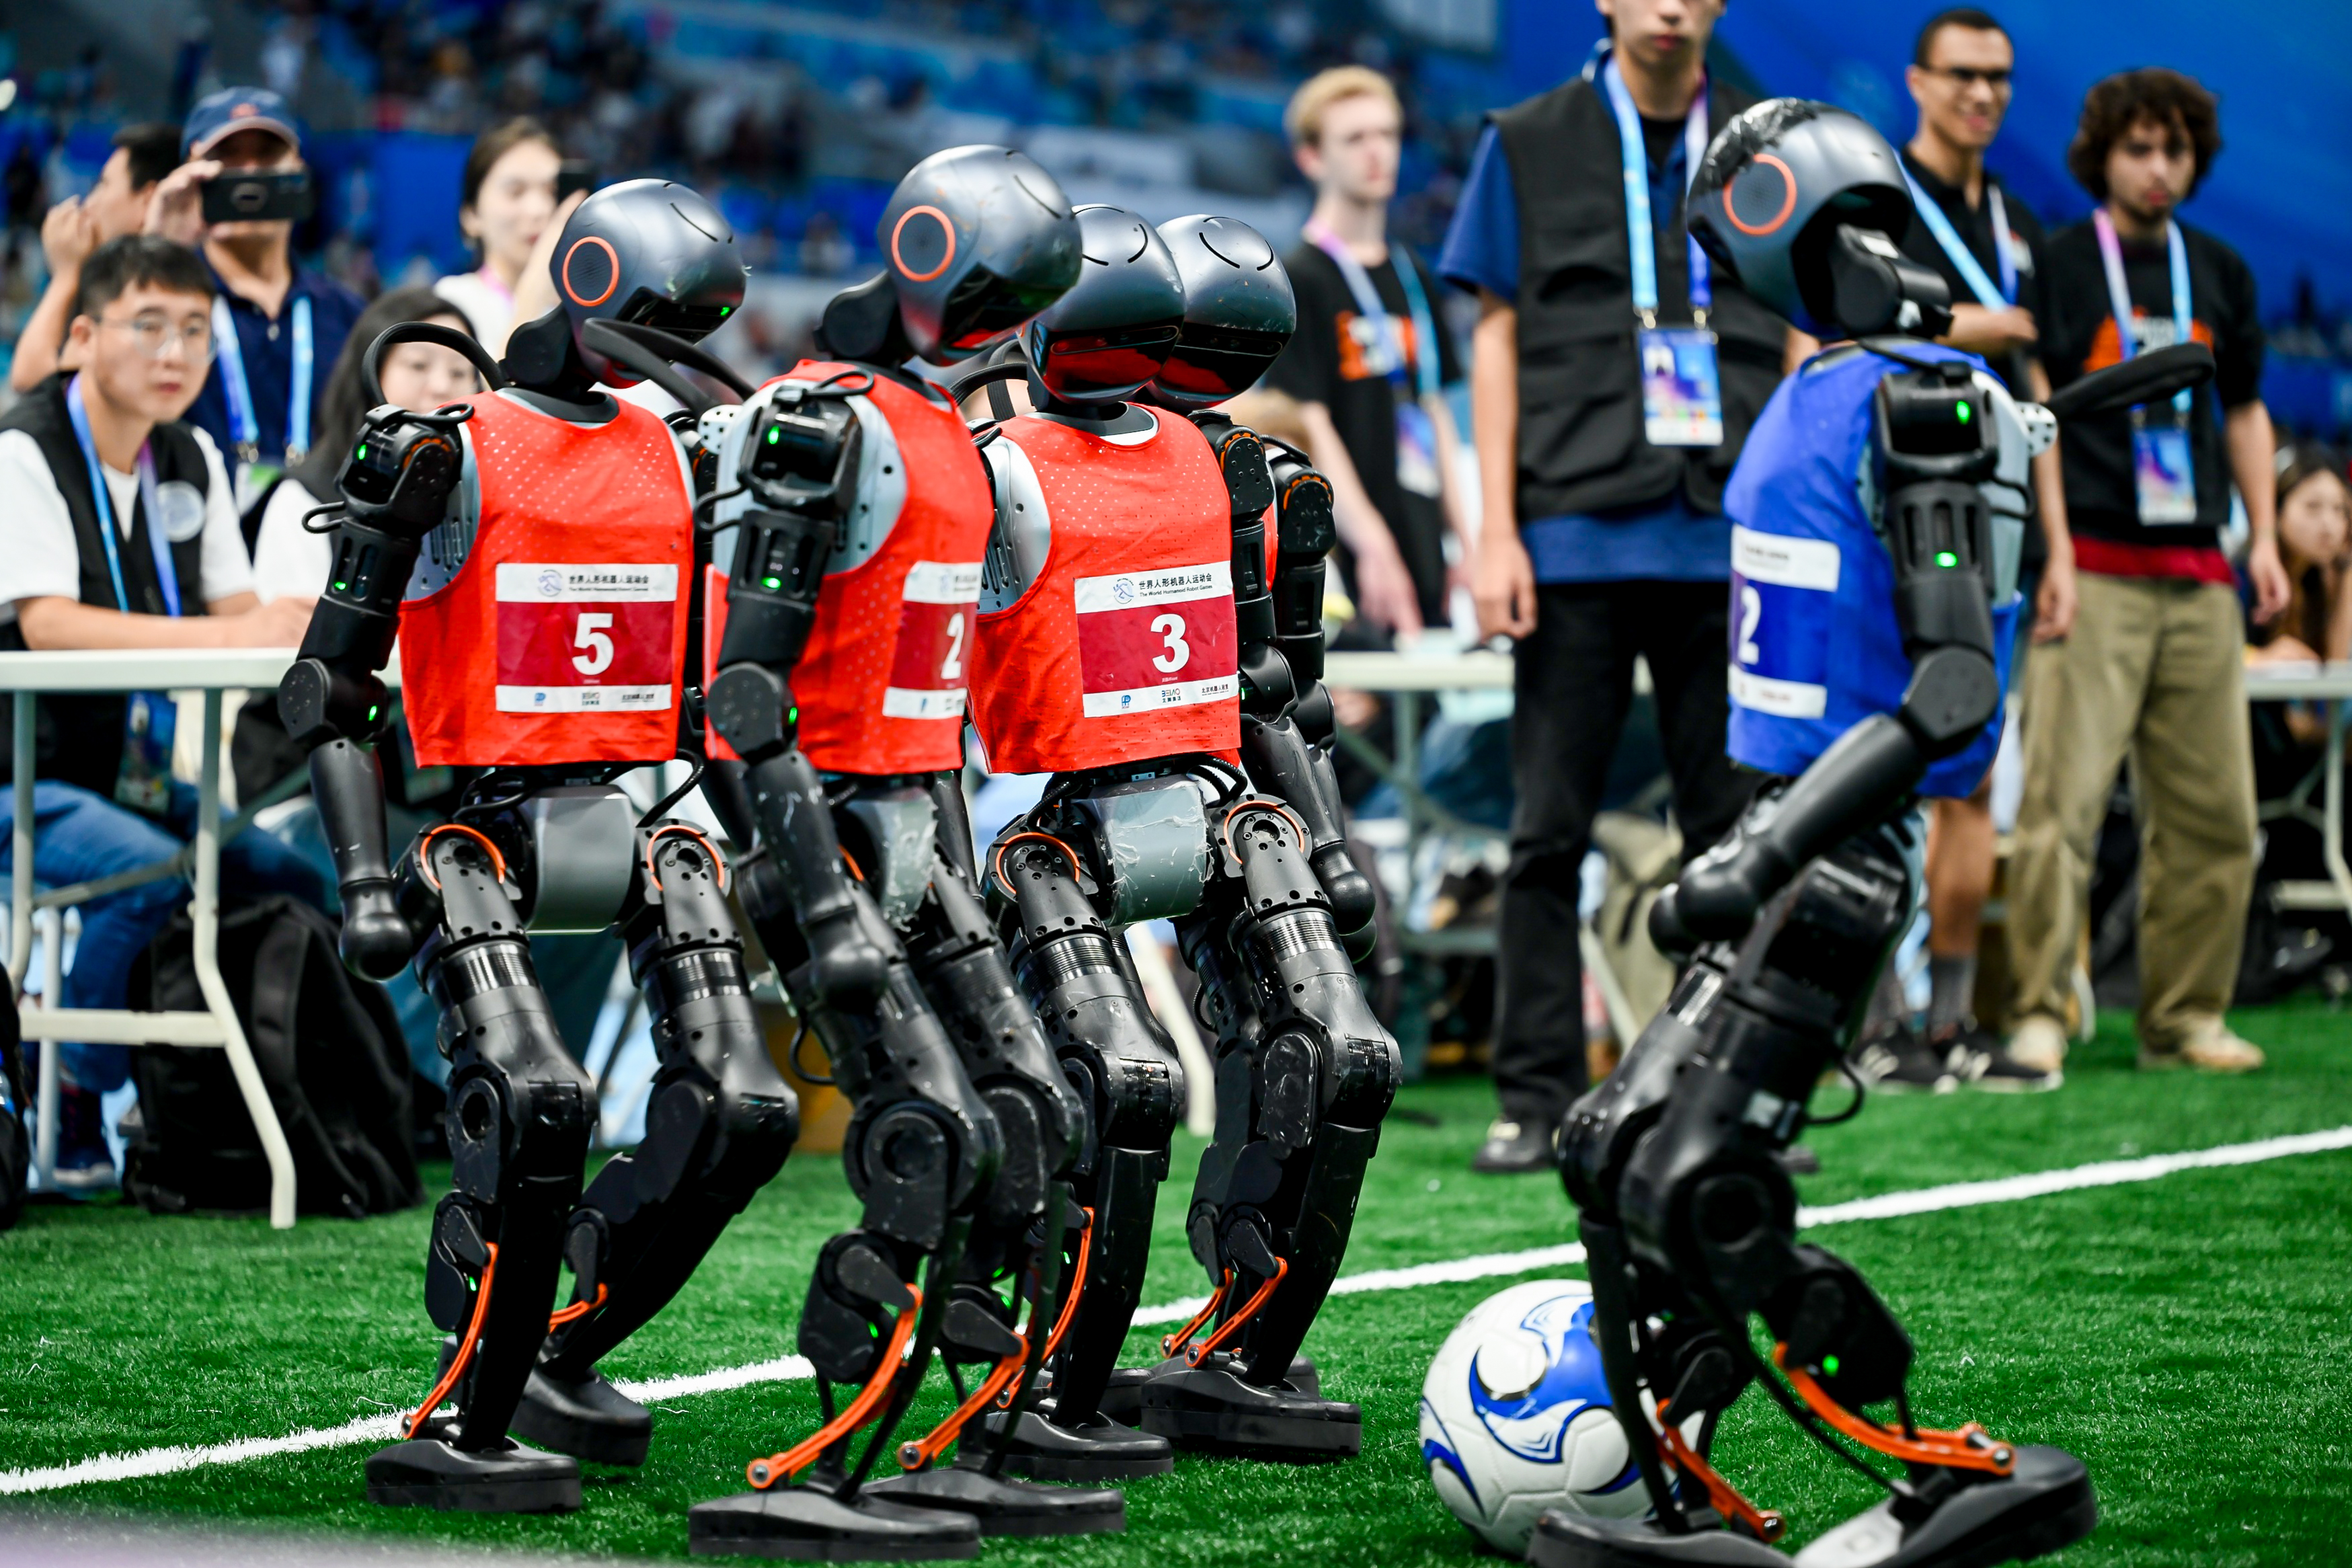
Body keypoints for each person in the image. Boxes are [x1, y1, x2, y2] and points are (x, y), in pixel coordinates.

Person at [1437, 0, 1795, 1171]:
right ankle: (1533, 1099)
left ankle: (1727, 1096)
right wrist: (1494, 533)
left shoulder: (1767, 144)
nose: (1669, 6)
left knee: (1737, 836)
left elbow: (1799, 331)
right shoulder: (1527, 138)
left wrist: (1802, 525)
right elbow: (1492, 336)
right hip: (1571, 537)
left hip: (1728, 537)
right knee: (1546, 834)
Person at [0, 235, 324, 1192]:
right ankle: (67, 1086)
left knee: (290, 879)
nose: (176, 353)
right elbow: (49, 627)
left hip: (134, 776)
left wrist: (297, 624)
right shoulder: (25, 449)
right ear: (84, 337)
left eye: (194, 330)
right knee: (150, 873)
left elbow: (239, 614)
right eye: (149, 326)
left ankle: (203, 1101)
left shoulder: (191, 456)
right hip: (22, 775)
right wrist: (241, 631)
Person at [2006, 67, 2288, 1078]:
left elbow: (2244, 410)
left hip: (2200, 571)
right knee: (2060, 810)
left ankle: (2183, 1017)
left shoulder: (2219, 268)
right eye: (2138, 148)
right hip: (2092, 568)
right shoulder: (2057, 262)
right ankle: (2038, 1011)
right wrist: (2054, 553)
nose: (2157, 167)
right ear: (2102, 157)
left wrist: (2263, 537)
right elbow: (2035, 412)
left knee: (2216, 814)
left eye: (2175, 149)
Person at [1884, 7, 2074, 1088]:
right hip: (1890, 521)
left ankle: (1949, 1021)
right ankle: (1882, 1018)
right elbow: (1840, 336)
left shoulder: (2015, 220)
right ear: (1917, 82)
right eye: (1961, 74)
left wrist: (2060, 549)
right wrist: (1970, 325)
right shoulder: (1869, 200)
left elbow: (2036, 397)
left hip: (1998, 529)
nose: (1981, 94)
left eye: (1997, 77)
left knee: (1968, 780)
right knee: (1879, 775)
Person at [1263, 67, 1469, 639]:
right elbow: (1308, 422)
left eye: (1388, 134)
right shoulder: (1297, 279)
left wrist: (1465, 544)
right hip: (1343, 547)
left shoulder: (1412, 273)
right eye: (1355, 138)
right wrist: (1373, 543)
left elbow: (1434, 409)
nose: (1377, 152)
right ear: (1312, 157)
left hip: (1422, 538)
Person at [145, 87, 364, 518]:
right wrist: (157, 253)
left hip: (317, 543)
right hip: (189, 538)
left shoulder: (347, 315)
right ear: (191, 176)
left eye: (267, 156)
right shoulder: (164, 305)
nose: (248, 173)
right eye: (225, 159)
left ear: (298, 172)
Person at [9, 124, 183, 394]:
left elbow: (34, 381)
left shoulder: (153, 294)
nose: (89, 204)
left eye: (103, 185)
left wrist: (66, 274)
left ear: (148, 200)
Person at [433, 118, 564, 356]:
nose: (539, 209)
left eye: (553, 192)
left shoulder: (582, 312)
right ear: (471, 215)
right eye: (515, 192)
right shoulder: (451, 304)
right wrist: (533, 296)